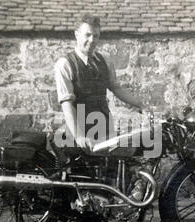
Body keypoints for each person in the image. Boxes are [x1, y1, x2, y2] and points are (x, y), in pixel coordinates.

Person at [54, 14, 145, 153]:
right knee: (84, 173)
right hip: (79, 130)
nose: (92, 40)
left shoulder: (105, 61)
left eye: (96, 36)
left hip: (104, 127)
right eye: (87, 35)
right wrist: (79, 137)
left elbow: (116, 87)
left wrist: (140, 104)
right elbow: (67, 104)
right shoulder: (65, 64)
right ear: (76, 35)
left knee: (111, 169)